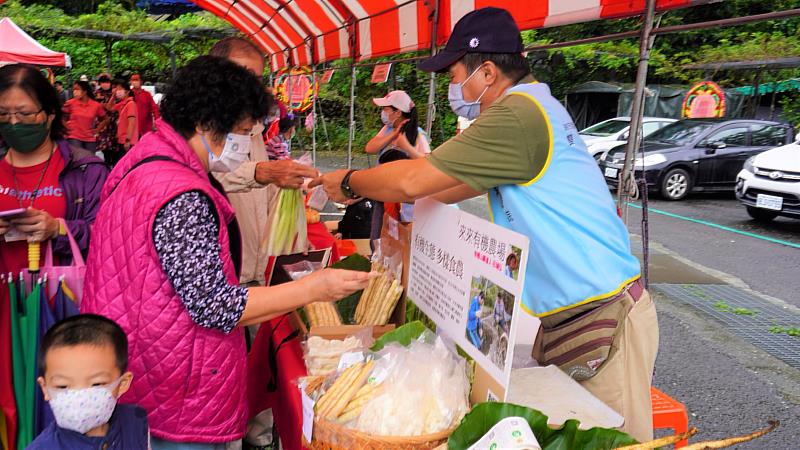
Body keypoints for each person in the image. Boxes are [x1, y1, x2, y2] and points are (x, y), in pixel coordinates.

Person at [311, 7, 657, 442]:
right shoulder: (531, 107)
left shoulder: (516, 115)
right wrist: (390, 195)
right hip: (577, 320)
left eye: (456, 76)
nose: (454, 87)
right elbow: (445, 186)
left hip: (603, 318)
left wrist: (348, 181)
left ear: (487, 72)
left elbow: (416, 179)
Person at [81, 55, 371, 450]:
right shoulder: (179, 193)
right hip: (179, 388)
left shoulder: (145, 160)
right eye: (241, 132)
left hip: (146, 364)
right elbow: (215, 306)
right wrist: (317, 287)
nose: (243, 145)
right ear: (204, 123)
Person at [208, 36, 319, 287]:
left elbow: (263, 191)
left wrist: (290, 232)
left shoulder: (254, 129)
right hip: (222, 274)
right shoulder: (202, 128)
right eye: (241, 75)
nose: (249, 86)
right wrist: (263, 172)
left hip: (255, 268)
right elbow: (213, 174)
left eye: (255, 78)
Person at [0, 64, 109, 275]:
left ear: (50, 115)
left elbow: (110, 237)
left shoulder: (86, 169)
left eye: (24, 114)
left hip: (61, 299)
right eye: (3, 114)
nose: (13, 123)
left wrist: (58, 229)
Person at [27, 314, 148, 449]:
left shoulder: (135, 421)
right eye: (63, 386)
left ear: (122, 384)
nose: (79, 398)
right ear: (45, 388)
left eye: (96, 384)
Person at [364, 90, 430, 239]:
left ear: (397, 112)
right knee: (378, 238)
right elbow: (370, 148)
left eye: (386, 109)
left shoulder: (417, 134)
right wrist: (393, 135)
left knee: (397, 241)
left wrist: (406, 146)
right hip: (383, 193)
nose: (383, 112)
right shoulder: (388, 129)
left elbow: (427, 163)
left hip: (403, 201)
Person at [62, 81, 109, 154]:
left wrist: (98, 129)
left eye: (77, 89)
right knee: (78, 158)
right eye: (74, 89)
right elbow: (62, 117)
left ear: (84, 91)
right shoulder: (70, 103)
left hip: (89, 137)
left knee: (90, 160)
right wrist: (66, 127)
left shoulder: (96, 105)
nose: (75, 92)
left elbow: (106, 119)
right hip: (74, 136)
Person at [107, 80, 138, 167]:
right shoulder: (123, 104)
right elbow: (109, 108)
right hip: (123, 140)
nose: (118, 91)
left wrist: (128, 140)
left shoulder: (130, 104)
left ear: (127, 91)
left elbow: (131, 123)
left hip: (128, 141)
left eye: (120, 89)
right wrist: (113, 95)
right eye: (117, 89)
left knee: (125, 166)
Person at [94, 74, 118, 160]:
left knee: (115, 145)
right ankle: (107, 162)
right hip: (103, 123)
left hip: (114, 122)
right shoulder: (97, 93)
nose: (105, 84)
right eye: (103, 82)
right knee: (105, 146)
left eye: (107, 82)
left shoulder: (114, 92)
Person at [129, 73, 159, 138]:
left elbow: (155, 108)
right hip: (132, 127)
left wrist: (157, 121)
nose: (134, 82)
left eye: (136, 80)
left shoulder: (147, 95)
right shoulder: (128, 94)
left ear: (141, 81)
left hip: (146, 127)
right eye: (132, 80)